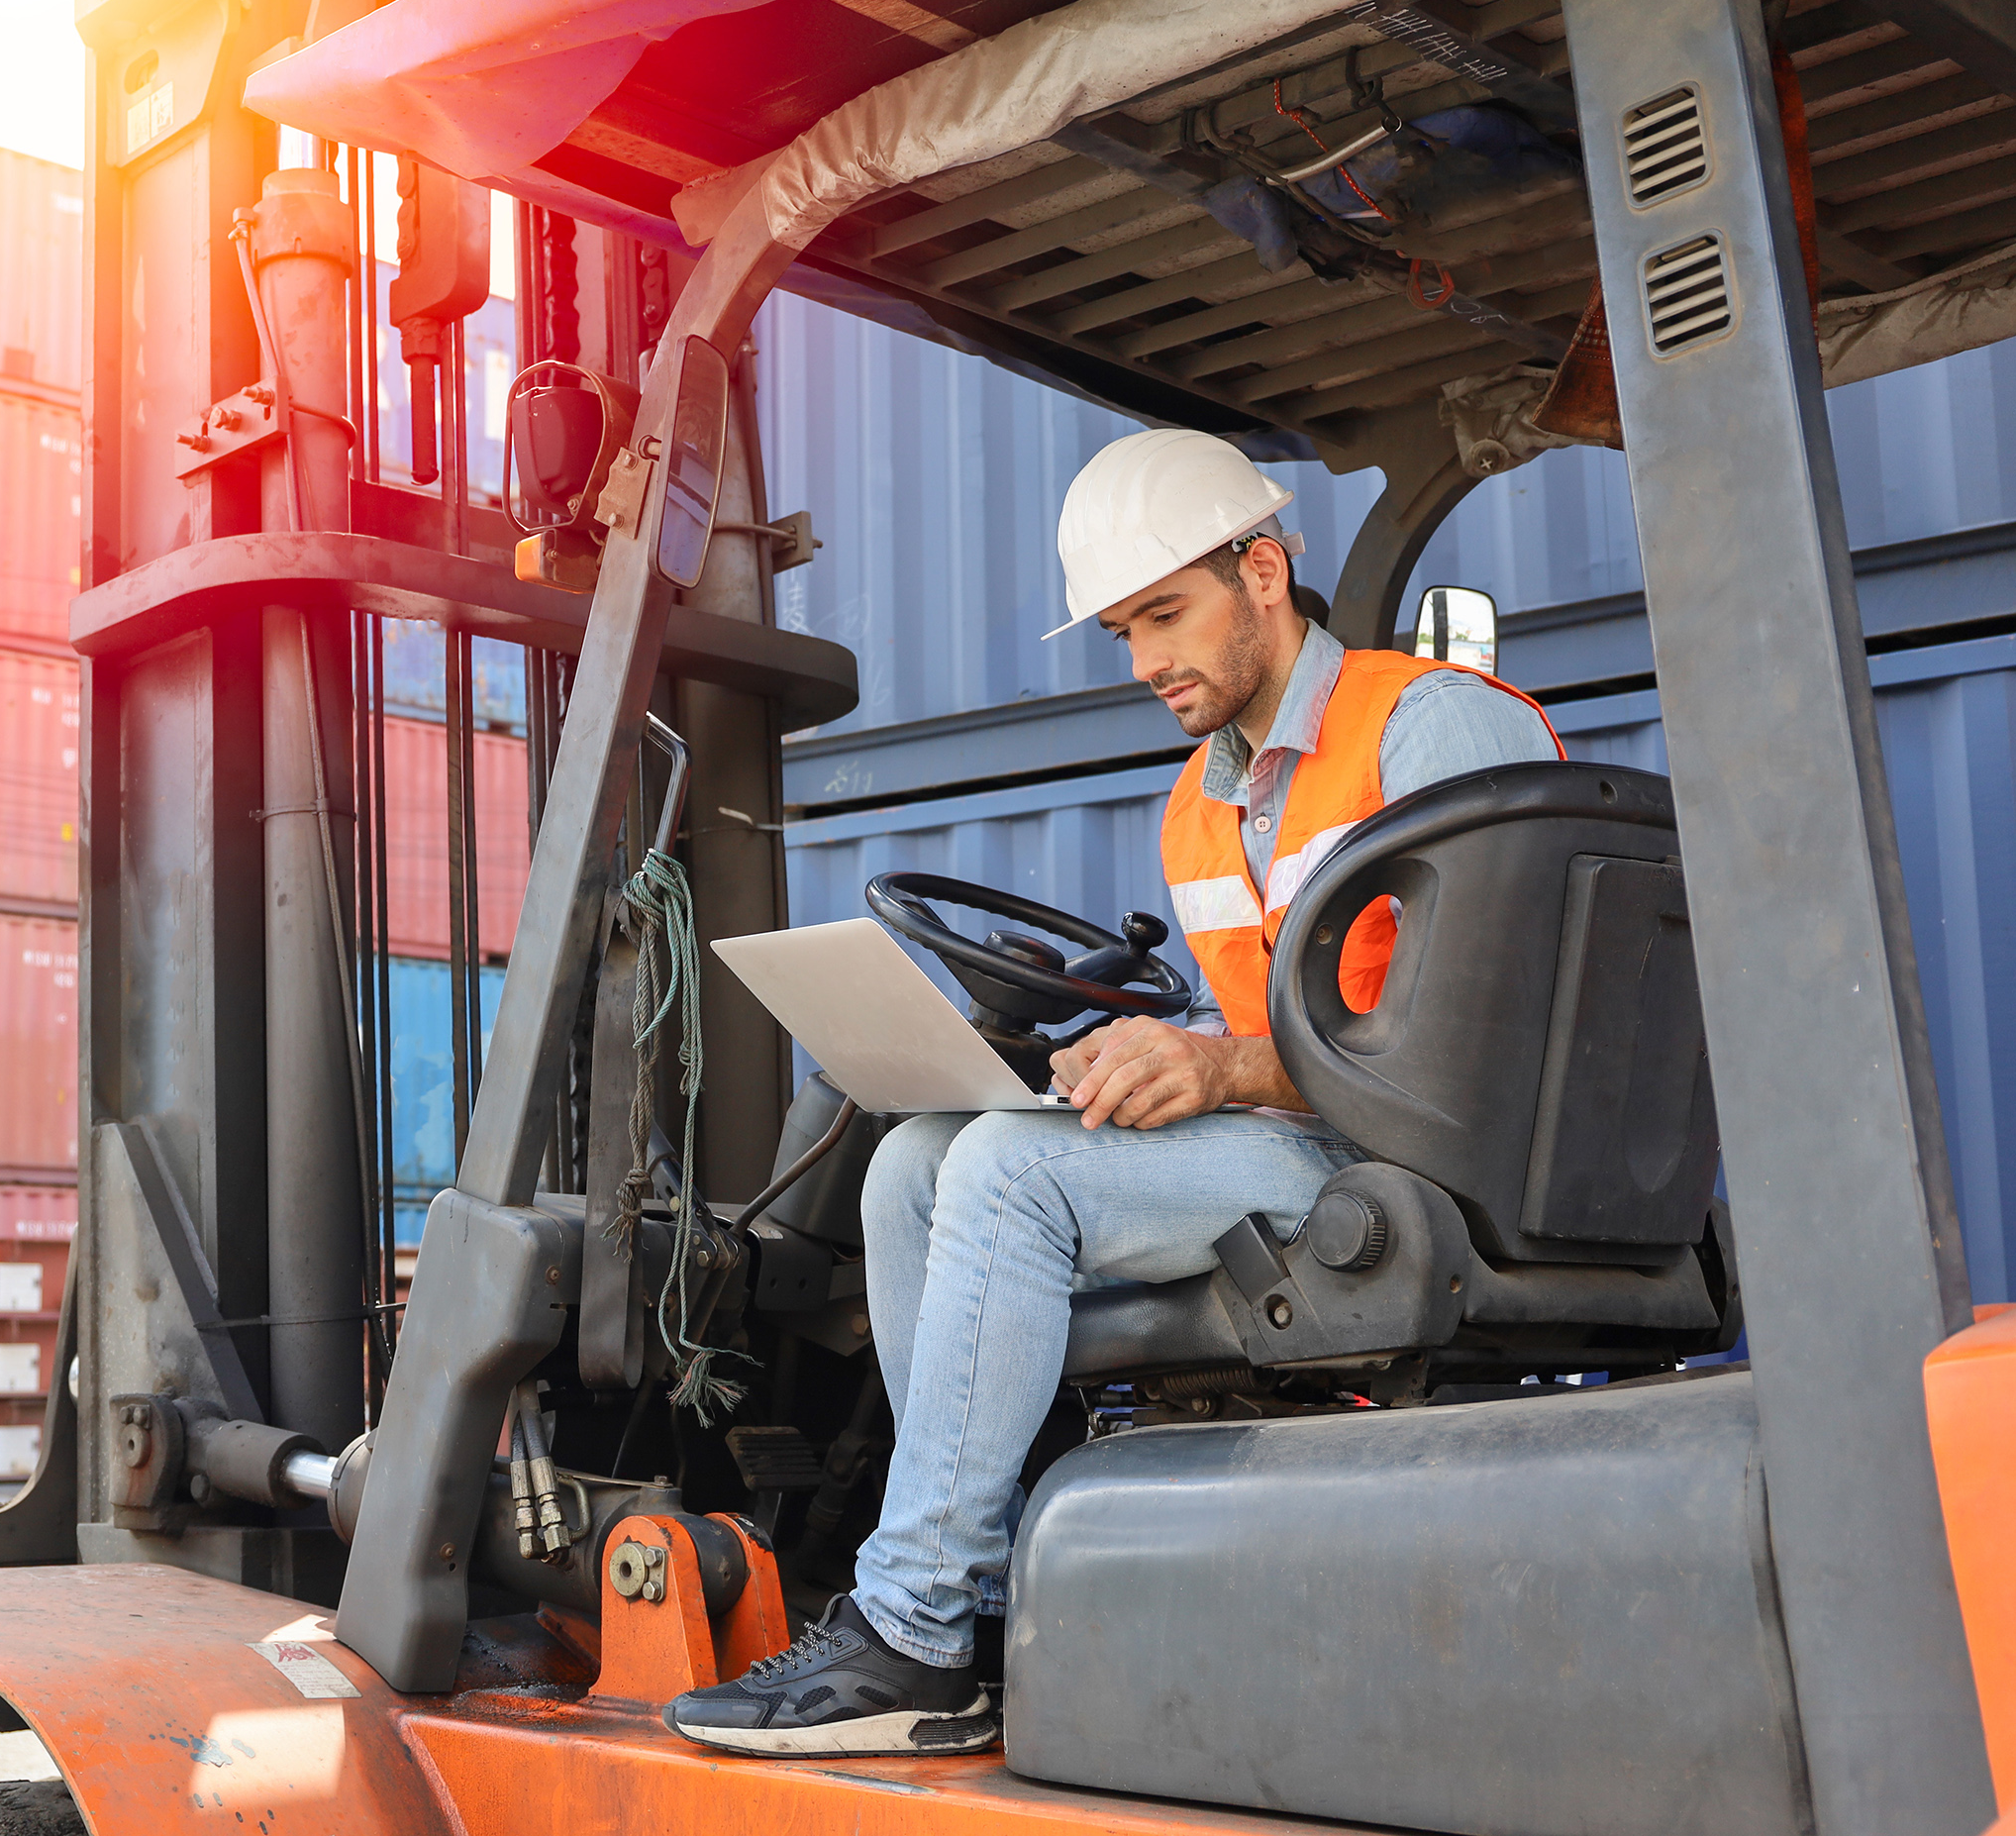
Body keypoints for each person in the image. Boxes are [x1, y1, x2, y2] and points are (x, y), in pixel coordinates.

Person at [662, 428, 1563, 1758]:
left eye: (1165, 614)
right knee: (918, 1160)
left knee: (1006, 1174)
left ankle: (910, 1622)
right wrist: (1137, 1057)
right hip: (1307, 1132)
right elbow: (1273, 1012)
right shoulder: (1201, 803)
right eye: (1123, 631)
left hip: (1423, 1155)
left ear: (1263, 573)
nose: (1145, 661)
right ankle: (977, 1610)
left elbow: (1493, 1017)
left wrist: (1222, 1067)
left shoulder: (1426, 723)